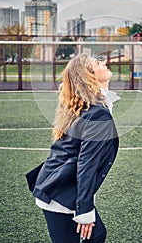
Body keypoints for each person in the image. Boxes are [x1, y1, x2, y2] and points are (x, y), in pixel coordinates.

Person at [26, 53, 119, 242]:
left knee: (97, 235)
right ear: (88, 75)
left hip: (58, 186)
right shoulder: (96, 113)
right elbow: (86, 164)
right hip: (60, 194)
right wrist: (84, 211)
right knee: (94, 236)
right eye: (98, 63)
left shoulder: (88, 106)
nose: (105, 64)